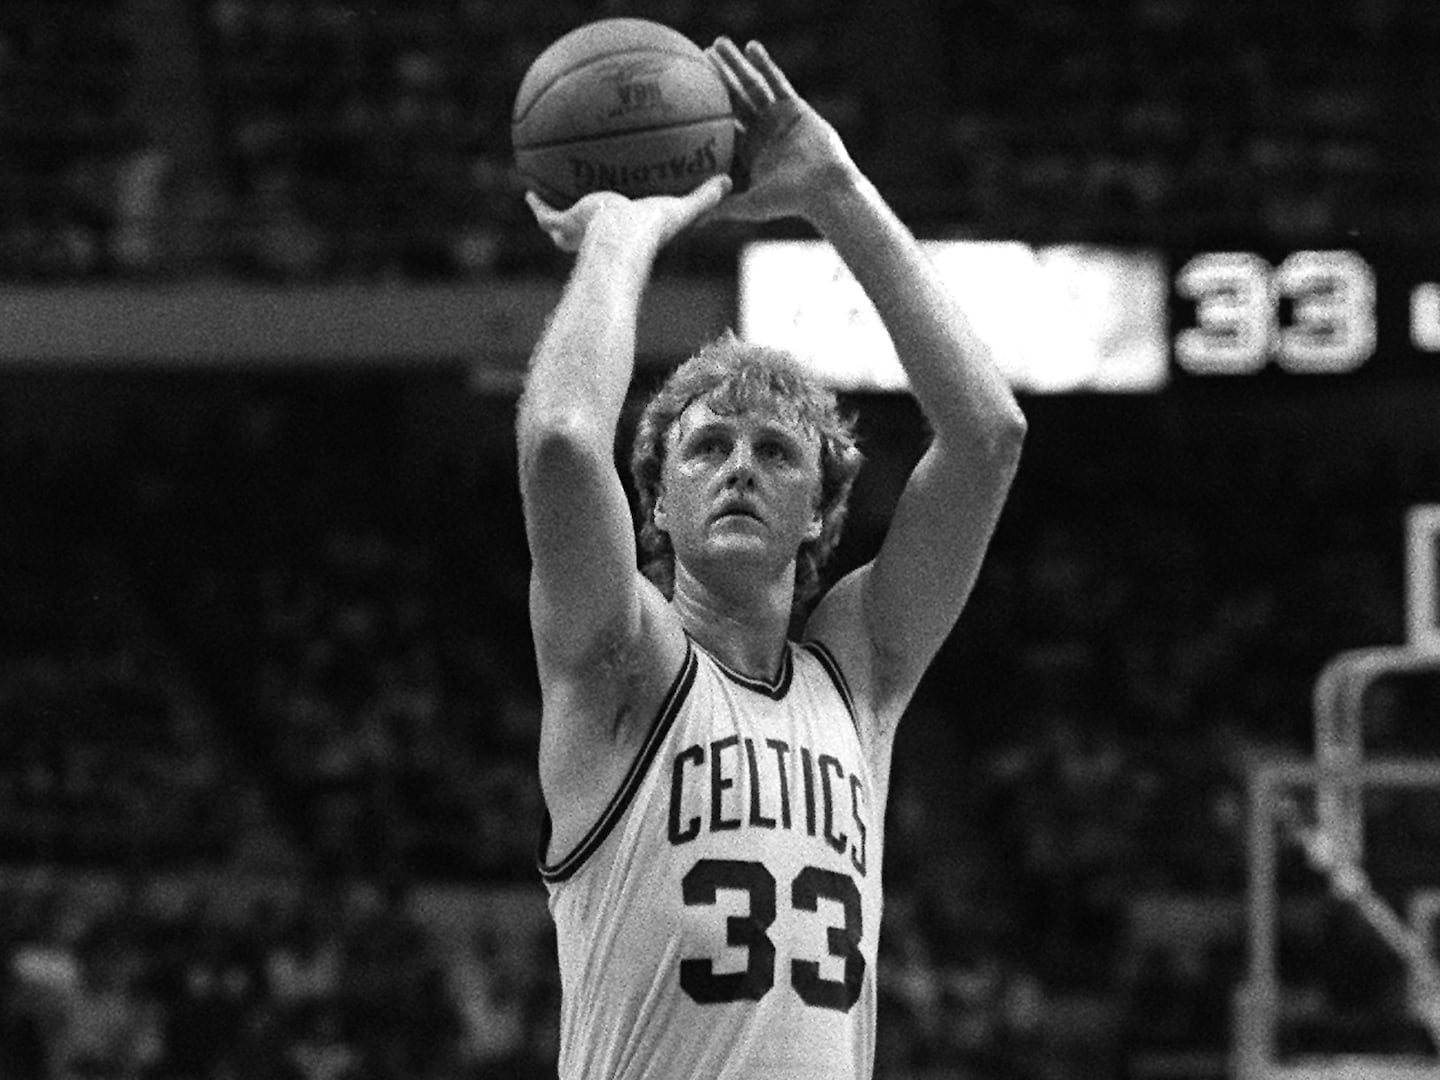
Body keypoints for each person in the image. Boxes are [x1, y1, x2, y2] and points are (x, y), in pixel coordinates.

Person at [516, 35, 1026, 1080]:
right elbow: (566, 440)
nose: (740, 467)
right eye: (707, 446)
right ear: (654, 502)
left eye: (775, 450)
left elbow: (988, 439)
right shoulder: (626, 662)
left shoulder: (860, 671)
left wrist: (836, 192)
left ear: (819, 513)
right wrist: (624, 231)